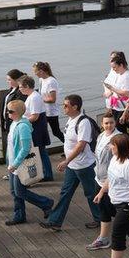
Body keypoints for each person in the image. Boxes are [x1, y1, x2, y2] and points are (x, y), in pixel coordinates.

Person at [42, 95, 101, 232]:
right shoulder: (71, 120)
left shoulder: (83, 122)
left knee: (91, 193)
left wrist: (66, 160)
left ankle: (100, 218)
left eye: (66, 105)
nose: (63, 107)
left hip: (84, 165)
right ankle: (55, 221)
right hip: (73, 166)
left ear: (75, 107)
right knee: (65, 193)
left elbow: (81, 145)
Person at [3, 99, 53, 225]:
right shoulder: (14, 123)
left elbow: (26, 148)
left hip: (19, 164)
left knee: (19, 191)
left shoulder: (23, 126)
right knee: (14, 191)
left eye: (10, 111)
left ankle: (46, 203)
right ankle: (19, 215)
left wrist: (15, 164)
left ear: (18, 112)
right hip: (13, 163)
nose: (8, 113)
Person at [87, 112, 120, 251]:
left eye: (111, 122)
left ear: (115, 123)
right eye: (106, 123)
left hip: (111, 180)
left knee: (116, 209)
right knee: (103, 209)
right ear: (102, 124)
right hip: (99, 178)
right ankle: (104, 238)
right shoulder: (100, 136)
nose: (108, 125)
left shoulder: (117, 139)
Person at [20, 76, 53, 182]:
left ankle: (47, 173)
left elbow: (35, 116)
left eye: (21, 87)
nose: (20, 89)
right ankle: (45, 172)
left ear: (27, 86)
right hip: (36, 126)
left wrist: (22, 123)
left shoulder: (34, 97)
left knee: (41, 150)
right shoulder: (32, 96)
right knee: (41, 150)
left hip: (37, 127)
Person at [32, 62, 64, 147]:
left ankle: (70, 146)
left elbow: (52, 99)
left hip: (51, 112)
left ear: (41, 71)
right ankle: (41, 150)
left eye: (36, 72)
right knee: (41, 131)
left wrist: (39, 99)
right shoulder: (41, 80)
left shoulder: (51, 81)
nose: (35, 74)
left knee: (56, 132)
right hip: (43, 110)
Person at [103, 51, 129, 133]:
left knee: (124, 127)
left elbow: (126, 93)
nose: (113, 69)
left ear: (121, 65)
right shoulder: (118, 74)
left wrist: (112, 89)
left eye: (115, 67)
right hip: (117, 106)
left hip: (124, 107)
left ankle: (128, 143)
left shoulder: (127, 76)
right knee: (120, 127)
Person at [0, 69, 26, 163]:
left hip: (13, 122)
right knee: (10, 147)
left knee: (14, 147)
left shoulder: (20, 92)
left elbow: (18, 107)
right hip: (8, 122)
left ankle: (14, 167)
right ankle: (11, 167)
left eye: (9, 80)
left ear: (16, 80)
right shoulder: (12, 89)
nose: (8, 82)